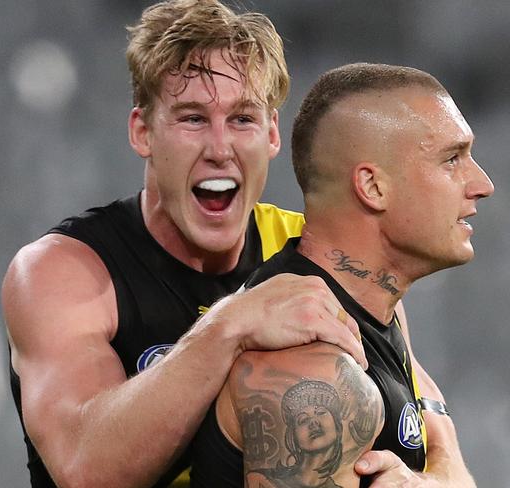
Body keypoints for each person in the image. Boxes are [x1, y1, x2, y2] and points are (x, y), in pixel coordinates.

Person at [2, 2, 367, 488]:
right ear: (142, 131)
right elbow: (84, 468)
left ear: (272, 134)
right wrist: (230, 324)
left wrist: (436, 470)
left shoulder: (318, 252)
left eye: (242, 120)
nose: (220, 148)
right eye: (193, 119)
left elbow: (419, 416)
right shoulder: (61, 272)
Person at [189, 62, 494, 487]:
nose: (482, 182)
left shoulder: (375, 308)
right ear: (372, 187)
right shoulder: (308, 367)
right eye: (452, 159)